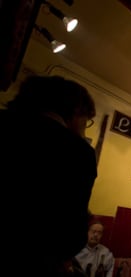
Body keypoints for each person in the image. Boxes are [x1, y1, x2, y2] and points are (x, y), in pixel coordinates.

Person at [0, 75, 97, 276]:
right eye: (86, 121)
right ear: (76, 112)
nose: (83, 128)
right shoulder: (78, 151)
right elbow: (69, 234)